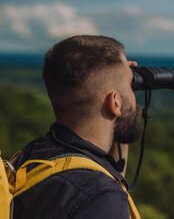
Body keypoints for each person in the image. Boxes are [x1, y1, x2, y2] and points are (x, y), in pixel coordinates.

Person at [11, 35, 143, 219]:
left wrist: (119, 82)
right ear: (115, 102)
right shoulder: (101, 197)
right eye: (131, 84)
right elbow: (98, 183)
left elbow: (106, 170)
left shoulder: (35, 156)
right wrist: (119, 81)